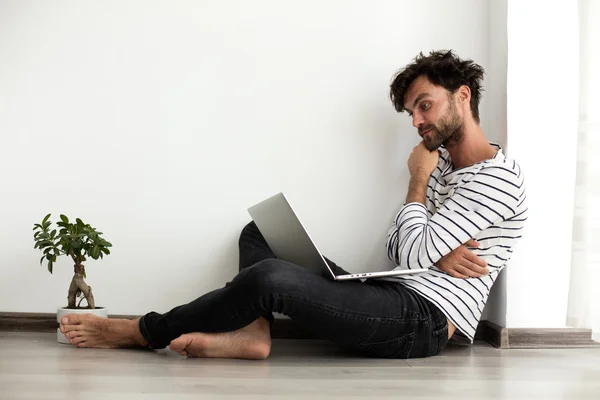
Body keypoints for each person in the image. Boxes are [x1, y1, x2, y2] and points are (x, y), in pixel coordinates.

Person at [59, 50, 527, 359]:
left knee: (270, 277)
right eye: (411, 113)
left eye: (424, 106)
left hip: (425, 319)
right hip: (392, 290)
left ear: (462, 97)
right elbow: (399, 244)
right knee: (259, 233)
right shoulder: (445, 165)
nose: (417, 122)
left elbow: (409, 251)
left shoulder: (497, 178)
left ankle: (141, 331)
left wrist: (418, 182)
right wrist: (433, 247)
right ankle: (254, 335)